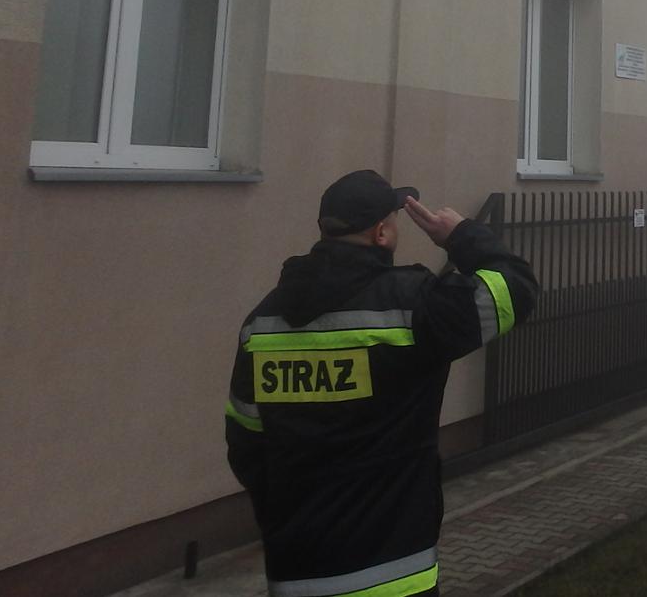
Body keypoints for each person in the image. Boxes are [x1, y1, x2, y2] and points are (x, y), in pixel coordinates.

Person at [225, 170, 539, 597]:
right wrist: (462, 235)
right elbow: (515, 290)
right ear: (381, 233)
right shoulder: (412, 305)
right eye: (393, 218)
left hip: (296, 570)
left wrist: (288, 513)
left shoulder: (261, 323)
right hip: (394, 573)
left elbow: (246, 445)